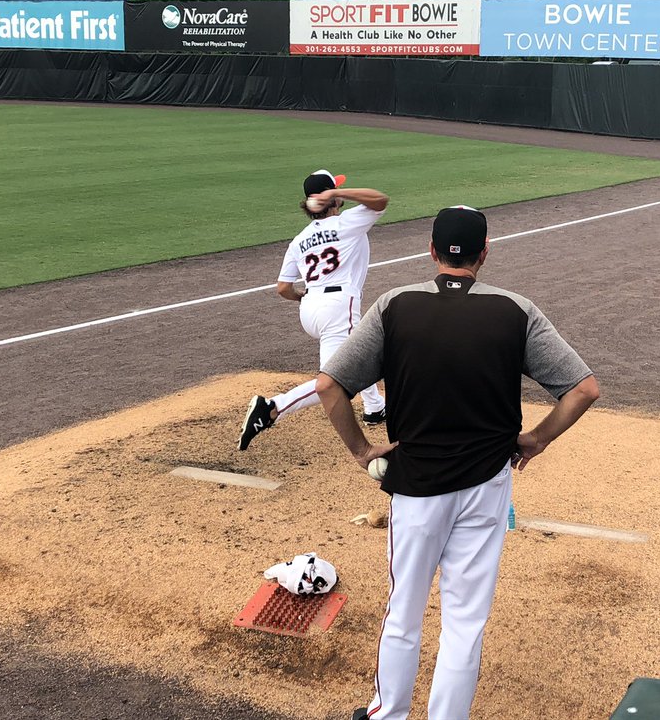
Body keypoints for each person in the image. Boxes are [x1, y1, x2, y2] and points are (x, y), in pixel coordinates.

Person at [315, 206, 600, 720]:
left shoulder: (394, 306)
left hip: (416, 484)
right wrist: (535, 439)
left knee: (403, 611)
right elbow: (583, 390)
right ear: (483, 252)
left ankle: (389, 714)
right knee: (465, 620)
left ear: (430, 250)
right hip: (487, 483)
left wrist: (363, 452)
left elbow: (328, 386)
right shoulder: (515, 309)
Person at [240, 169, 388, 450]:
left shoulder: (299, 240)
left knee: (356, 351)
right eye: (334, 191)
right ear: (331, 200)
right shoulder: (347, 223)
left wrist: (302, 299)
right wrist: (338, 193)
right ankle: (272, 408)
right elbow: (380, 200)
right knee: (332, 381)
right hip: (337, 307)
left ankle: (375, 407)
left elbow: (283, 288)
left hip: (310, 309)